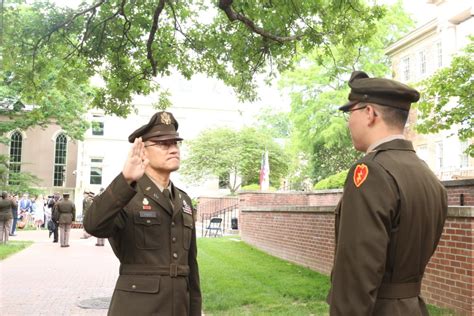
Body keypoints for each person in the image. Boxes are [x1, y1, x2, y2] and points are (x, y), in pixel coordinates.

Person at [326, 71, 448, 315]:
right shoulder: (428, 176)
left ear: (369, 113)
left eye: (351, 112)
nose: (349, 121)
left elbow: (356, 275)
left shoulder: (371, 172)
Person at [84, 111, 202, 315]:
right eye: (164, 144)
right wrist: (125, 179)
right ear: (143, 152)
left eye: (175, 143)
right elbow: (94, 225)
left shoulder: (183, 200)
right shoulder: (127, 194)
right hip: (137, 307)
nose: (173, 149)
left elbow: (190, 267)